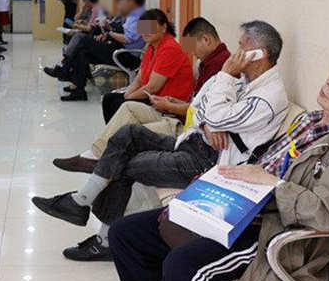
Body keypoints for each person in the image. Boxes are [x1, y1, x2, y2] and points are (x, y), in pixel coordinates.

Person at [109, 49, 329, 281]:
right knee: (125, 234)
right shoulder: (310, 121)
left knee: (183, 266)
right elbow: (267, 165)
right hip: (240, 209)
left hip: (270, 232)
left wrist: (275, 185)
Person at [32, 21, 288, 261]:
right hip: (193, 140)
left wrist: (222, 88)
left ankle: (102, 236)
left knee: (125, 163)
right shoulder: (242, 79)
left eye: (242, 47)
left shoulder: (265, 96)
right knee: (128, 133)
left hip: (207, 160)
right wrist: (208, 123)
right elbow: (200, 104)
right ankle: (80, 201)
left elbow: (209, 109)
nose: (236, 53)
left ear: (260, 54)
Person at [53, 17, 231, 173]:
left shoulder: (213, 64)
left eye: (148, 29)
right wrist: (131, 94)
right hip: (172, 105)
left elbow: (156, 88)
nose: (144, 34)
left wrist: (167, 104)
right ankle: (95, 154)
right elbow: (140, 76)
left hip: (182, 121)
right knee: (120, 103)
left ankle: (102, 158)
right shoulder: (155, 48)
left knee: (119, 109)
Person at [52, 0, 147, 102]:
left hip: (127, 56)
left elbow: (127, 39)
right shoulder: (132, 14)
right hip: (119, 48)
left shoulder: (141, 16)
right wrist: (108, 30)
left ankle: (65, 70)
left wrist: (109, 34)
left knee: (84, 40)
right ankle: (78, 90)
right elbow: (125, 32)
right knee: (83, 53)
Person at [101, 8, 195, 122]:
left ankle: (119, 132)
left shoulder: (170, 49)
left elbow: (152, 88)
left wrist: (128, 98)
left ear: (164, 28)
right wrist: (127, 95)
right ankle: (115, 132)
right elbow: (139, 78)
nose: (145, 32)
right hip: (152, 97)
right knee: (108, 99)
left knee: (119, 104)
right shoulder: (152, 47)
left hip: (166, 103)